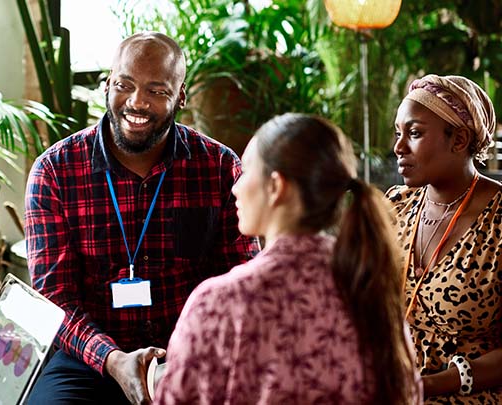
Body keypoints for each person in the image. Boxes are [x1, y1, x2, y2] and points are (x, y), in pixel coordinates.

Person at [23, 31, 259, 404]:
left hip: (193, 355)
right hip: (90, 360)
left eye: (157, 91)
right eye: (125, 85)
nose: (137, 102)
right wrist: (114, 360)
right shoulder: (54, 171)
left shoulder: (219, 168)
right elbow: (54, 299)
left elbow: (241, 283)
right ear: (106, 85)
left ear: (180, 96)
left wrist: (188, 358)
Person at [155, 113, 422, 404]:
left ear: (276, 187)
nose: (235, 187)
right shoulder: (369, 291)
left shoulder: (219, 304)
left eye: (246, 172)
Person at [387, 74, 502, 403]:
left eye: (414, 133)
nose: (398, 147)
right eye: (398, 133)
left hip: (471, 395)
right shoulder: (395, 206)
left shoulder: (498, 223)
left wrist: (431, 386)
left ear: (459, 139)